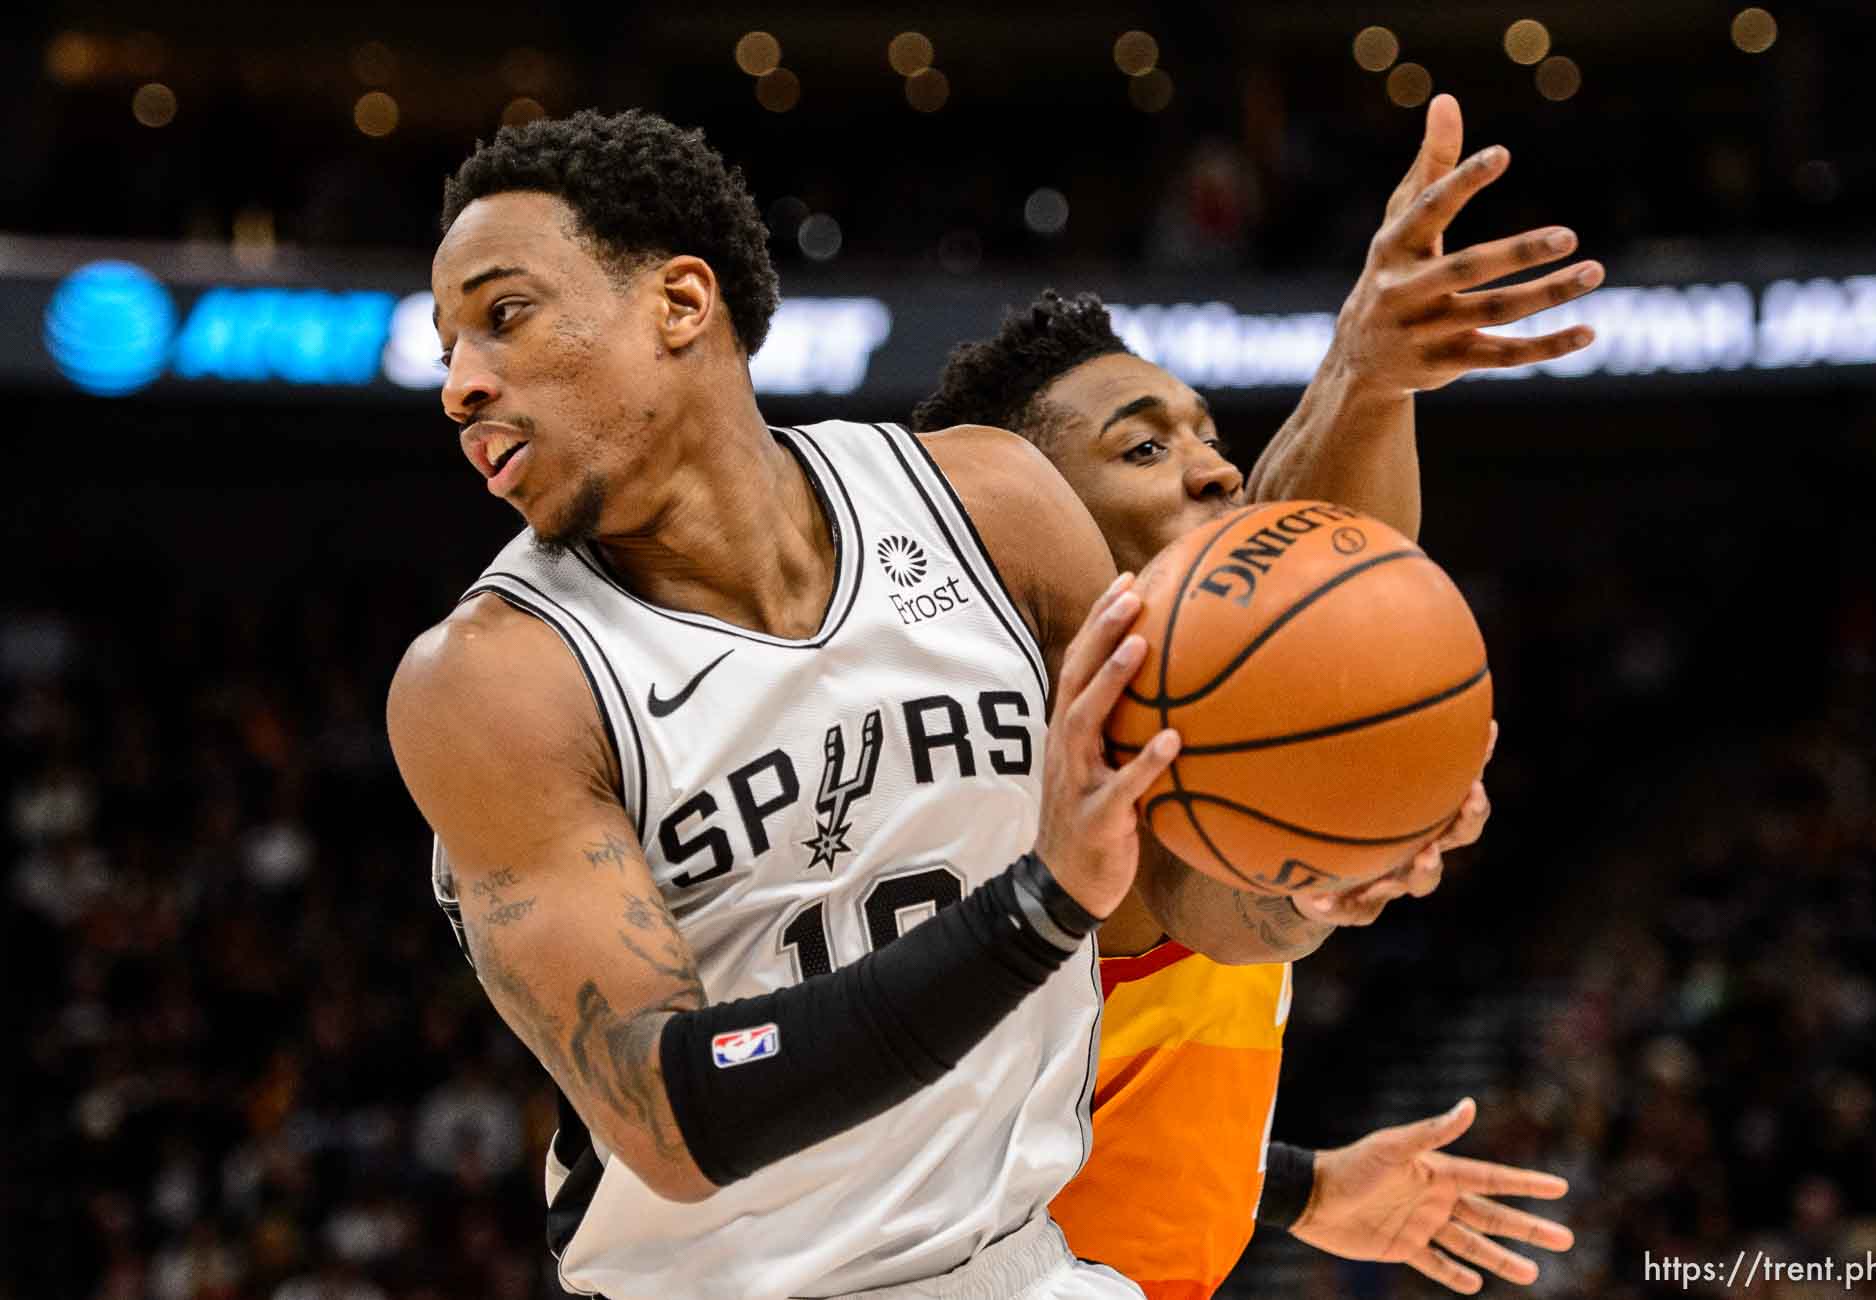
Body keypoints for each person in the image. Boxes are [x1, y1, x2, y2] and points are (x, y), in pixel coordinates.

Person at [388, 108, 1479, 1300]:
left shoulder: (988, 503)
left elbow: (1179, 896)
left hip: (1020, 1266)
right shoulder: (495, 680)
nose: (461, 385)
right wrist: (1041, 902)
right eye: (449, 347)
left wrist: (1321, 864)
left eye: (503, 317)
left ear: (681, 304)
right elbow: (676, 1112)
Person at [911, 95, 1599, 1298]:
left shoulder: (1196, 704)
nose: (1217, 466)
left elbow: (1088, 1084)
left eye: (1206, 432)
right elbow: (1224, 900)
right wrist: (1358, 379)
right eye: (1140, 448)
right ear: (1016, 528)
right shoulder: (1020, 755)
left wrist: (1286, 1183)